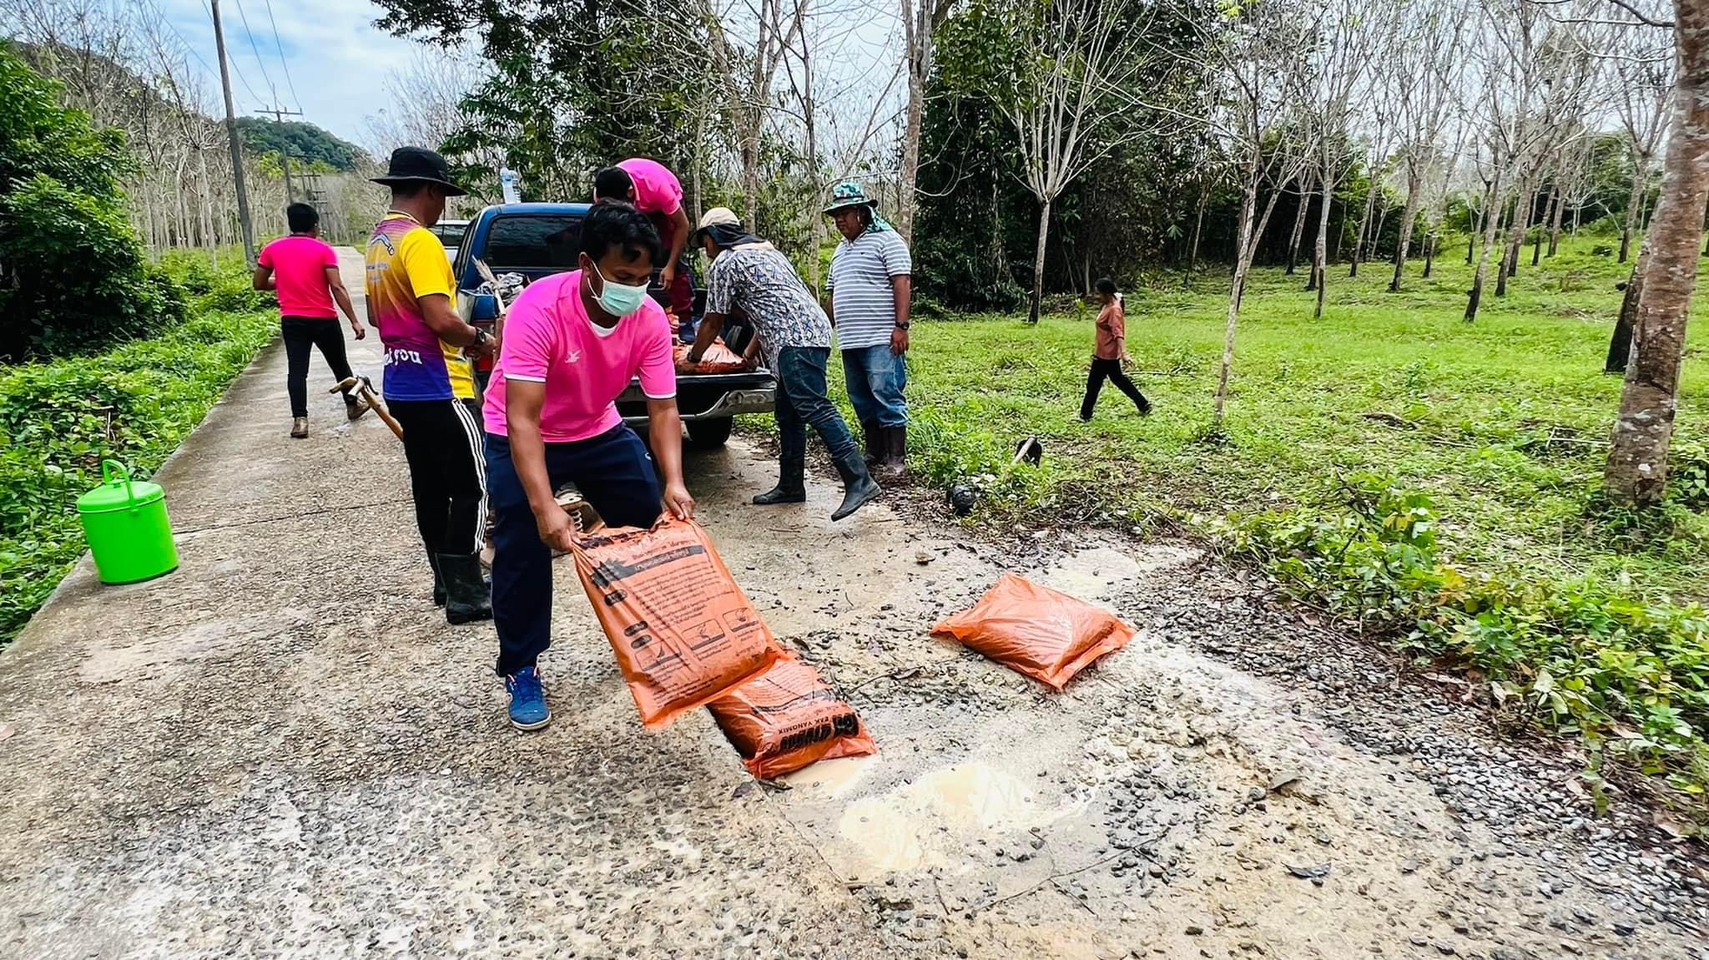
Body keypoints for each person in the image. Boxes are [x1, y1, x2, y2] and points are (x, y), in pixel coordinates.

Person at [482, 201, 696, 731]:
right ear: (587, 264)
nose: (635, 289)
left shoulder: (645, 317)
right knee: (524, 543)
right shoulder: (540, 308)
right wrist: (544, 505)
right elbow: (524, 418)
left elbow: (663, 407)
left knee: (651, 523)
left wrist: (674, 480)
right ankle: (521, 665)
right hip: (519, 431)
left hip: (597, 427)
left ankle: (654, 640)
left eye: (645, 278)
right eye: (624, 276)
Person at [365, 146, 499, 625]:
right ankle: (467, 590)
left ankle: (444, 581)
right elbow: (442, 318)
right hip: (441, 384)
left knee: (430, 486)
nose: (443, 205)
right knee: (474, 486)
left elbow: (376, 316)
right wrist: (480, 339)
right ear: (430, 190)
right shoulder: (419, 242)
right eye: (442, 195)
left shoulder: (380, 241)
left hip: (401, 384)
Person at [686, 208, 881, 521]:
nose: (704, 250)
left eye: (704, 242)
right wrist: (748, 356)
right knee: (789, 413)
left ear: (713, 236)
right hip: (809, 330)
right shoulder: (768, 253)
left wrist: (693, 358)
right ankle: (791, 484)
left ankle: (859, 479)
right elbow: (770, 310)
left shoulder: (726, 261)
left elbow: (713, 319)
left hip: (795, 339)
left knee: (814, 406)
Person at [254, 202, 368, 438]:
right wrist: (355, 321)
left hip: (293, 320)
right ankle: (353, 405)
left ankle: (300, 421)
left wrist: (285, 280)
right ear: (314, 226)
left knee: (297, 371)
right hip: (324, 318)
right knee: (340, 365)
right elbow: (337, 287)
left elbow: (259, 284)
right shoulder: (323, 250)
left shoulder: (272, 249)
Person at [823, 181, 911, 478]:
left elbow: (902, 282)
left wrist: (901, 327)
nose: (839, 220)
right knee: (859, 395)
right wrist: (827, 328)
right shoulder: (839, 251)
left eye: (844, 213)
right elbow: (833, 292)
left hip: (880, 336)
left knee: (885, 391)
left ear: (862, 212)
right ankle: (874, 450)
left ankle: (896, 457)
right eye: (835, 215)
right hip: (851, 338)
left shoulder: (888, 241)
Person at [592, 159, 695, 338]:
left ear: (630, 193)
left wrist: (670, 265)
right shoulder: (602, 194)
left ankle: (685, 320)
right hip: (635, 207)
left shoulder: (658, 188)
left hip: (660, 208)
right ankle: (628, 316)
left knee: (672, 258)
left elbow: (682, 225)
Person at [1079, 277, 1151, 421]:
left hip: (1106, 355)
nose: (1096, 297)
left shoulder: (1114, 310)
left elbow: (1118, 333)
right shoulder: (1112, 302)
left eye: (1098, 294)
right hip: (1103, 352)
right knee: (1119, 380)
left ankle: (1085, 415)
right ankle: (1143, 404)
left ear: (1106, 293)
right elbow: (1118, 295)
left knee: (1093, 385)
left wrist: (1124, 353)